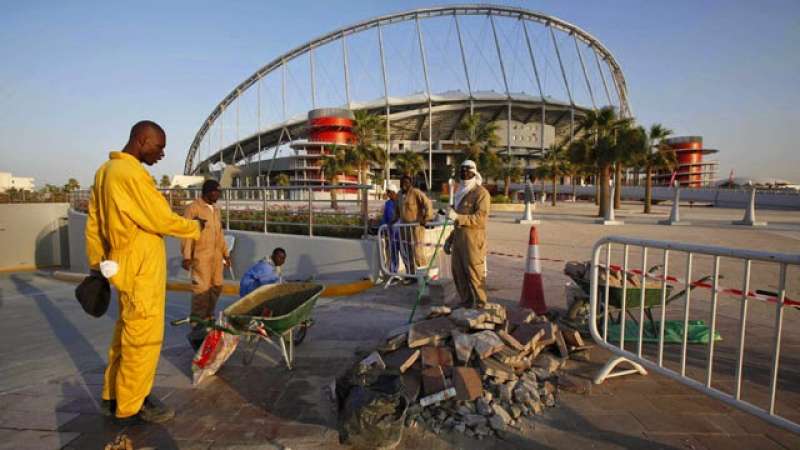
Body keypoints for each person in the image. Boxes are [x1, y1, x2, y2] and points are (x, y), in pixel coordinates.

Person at [85, 120, 202, 425]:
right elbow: (161, 218)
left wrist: (97, 264)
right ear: (141, 140)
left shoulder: (104, 172)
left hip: (122, 263)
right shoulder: (132, 174)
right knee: (144, 338)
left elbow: (94, 223)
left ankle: (113, 395)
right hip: (141, 266)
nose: (161, 154)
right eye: (158, 146)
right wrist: (195, 228)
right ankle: (133, 404)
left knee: (126, 331)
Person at [181, 179, 231, 322]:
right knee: (201, 290)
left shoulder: (215, 210)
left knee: (216, 287)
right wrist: (186, 256)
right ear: (209, 192)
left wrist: (226, 254)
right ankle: (197, 321)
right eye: (216, 192)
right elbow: (187, 234)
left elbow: (220, 234)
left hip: (216, 257)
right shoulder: (193, 208)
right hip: (200, 256)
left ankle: (208, 316)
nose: (218, 195)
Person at [446, 160, 491, 308]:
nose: (465, 174)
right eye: (462, 171)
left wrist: (458, 217)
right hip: (459, 239)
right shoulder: (460, 192)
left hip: (473, 240)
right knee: (458, 273)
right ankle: (465, 303)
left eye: (468, 171)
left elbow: (480, 219)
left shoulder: (481, 193)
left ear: (474, 173)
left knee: (474, 274)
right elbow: (457, 224)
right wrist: (449, 240)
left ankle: (480, 304)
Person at [395, 175, 433, 278]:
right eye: (402, 182)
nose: (404, 184)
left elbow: (427, 203)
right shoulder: (399, 194)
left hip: (416, 227)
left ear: (410, 183)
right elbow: (397, 209)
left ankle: (425, 276)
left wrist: (427, 218)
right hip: (404, 228)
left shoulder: (416, 192)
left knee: (417, 252)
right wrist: (394, 220)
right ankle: (411, 275)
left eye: (406, 182)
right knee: (407, 252)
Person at [380, 182, 400, 274]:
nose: (387, 194)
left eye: (389, 192)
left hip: (400, 232)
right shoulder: (388, 203)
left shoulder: (400, 202)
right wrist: (382, 228)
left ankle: (409, 274)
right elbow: (385, 217)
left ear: (393, 192)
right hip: (390, 233)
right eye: (387, 192)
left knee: (405, 254)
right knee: (393, 253)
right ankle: (393, 272)